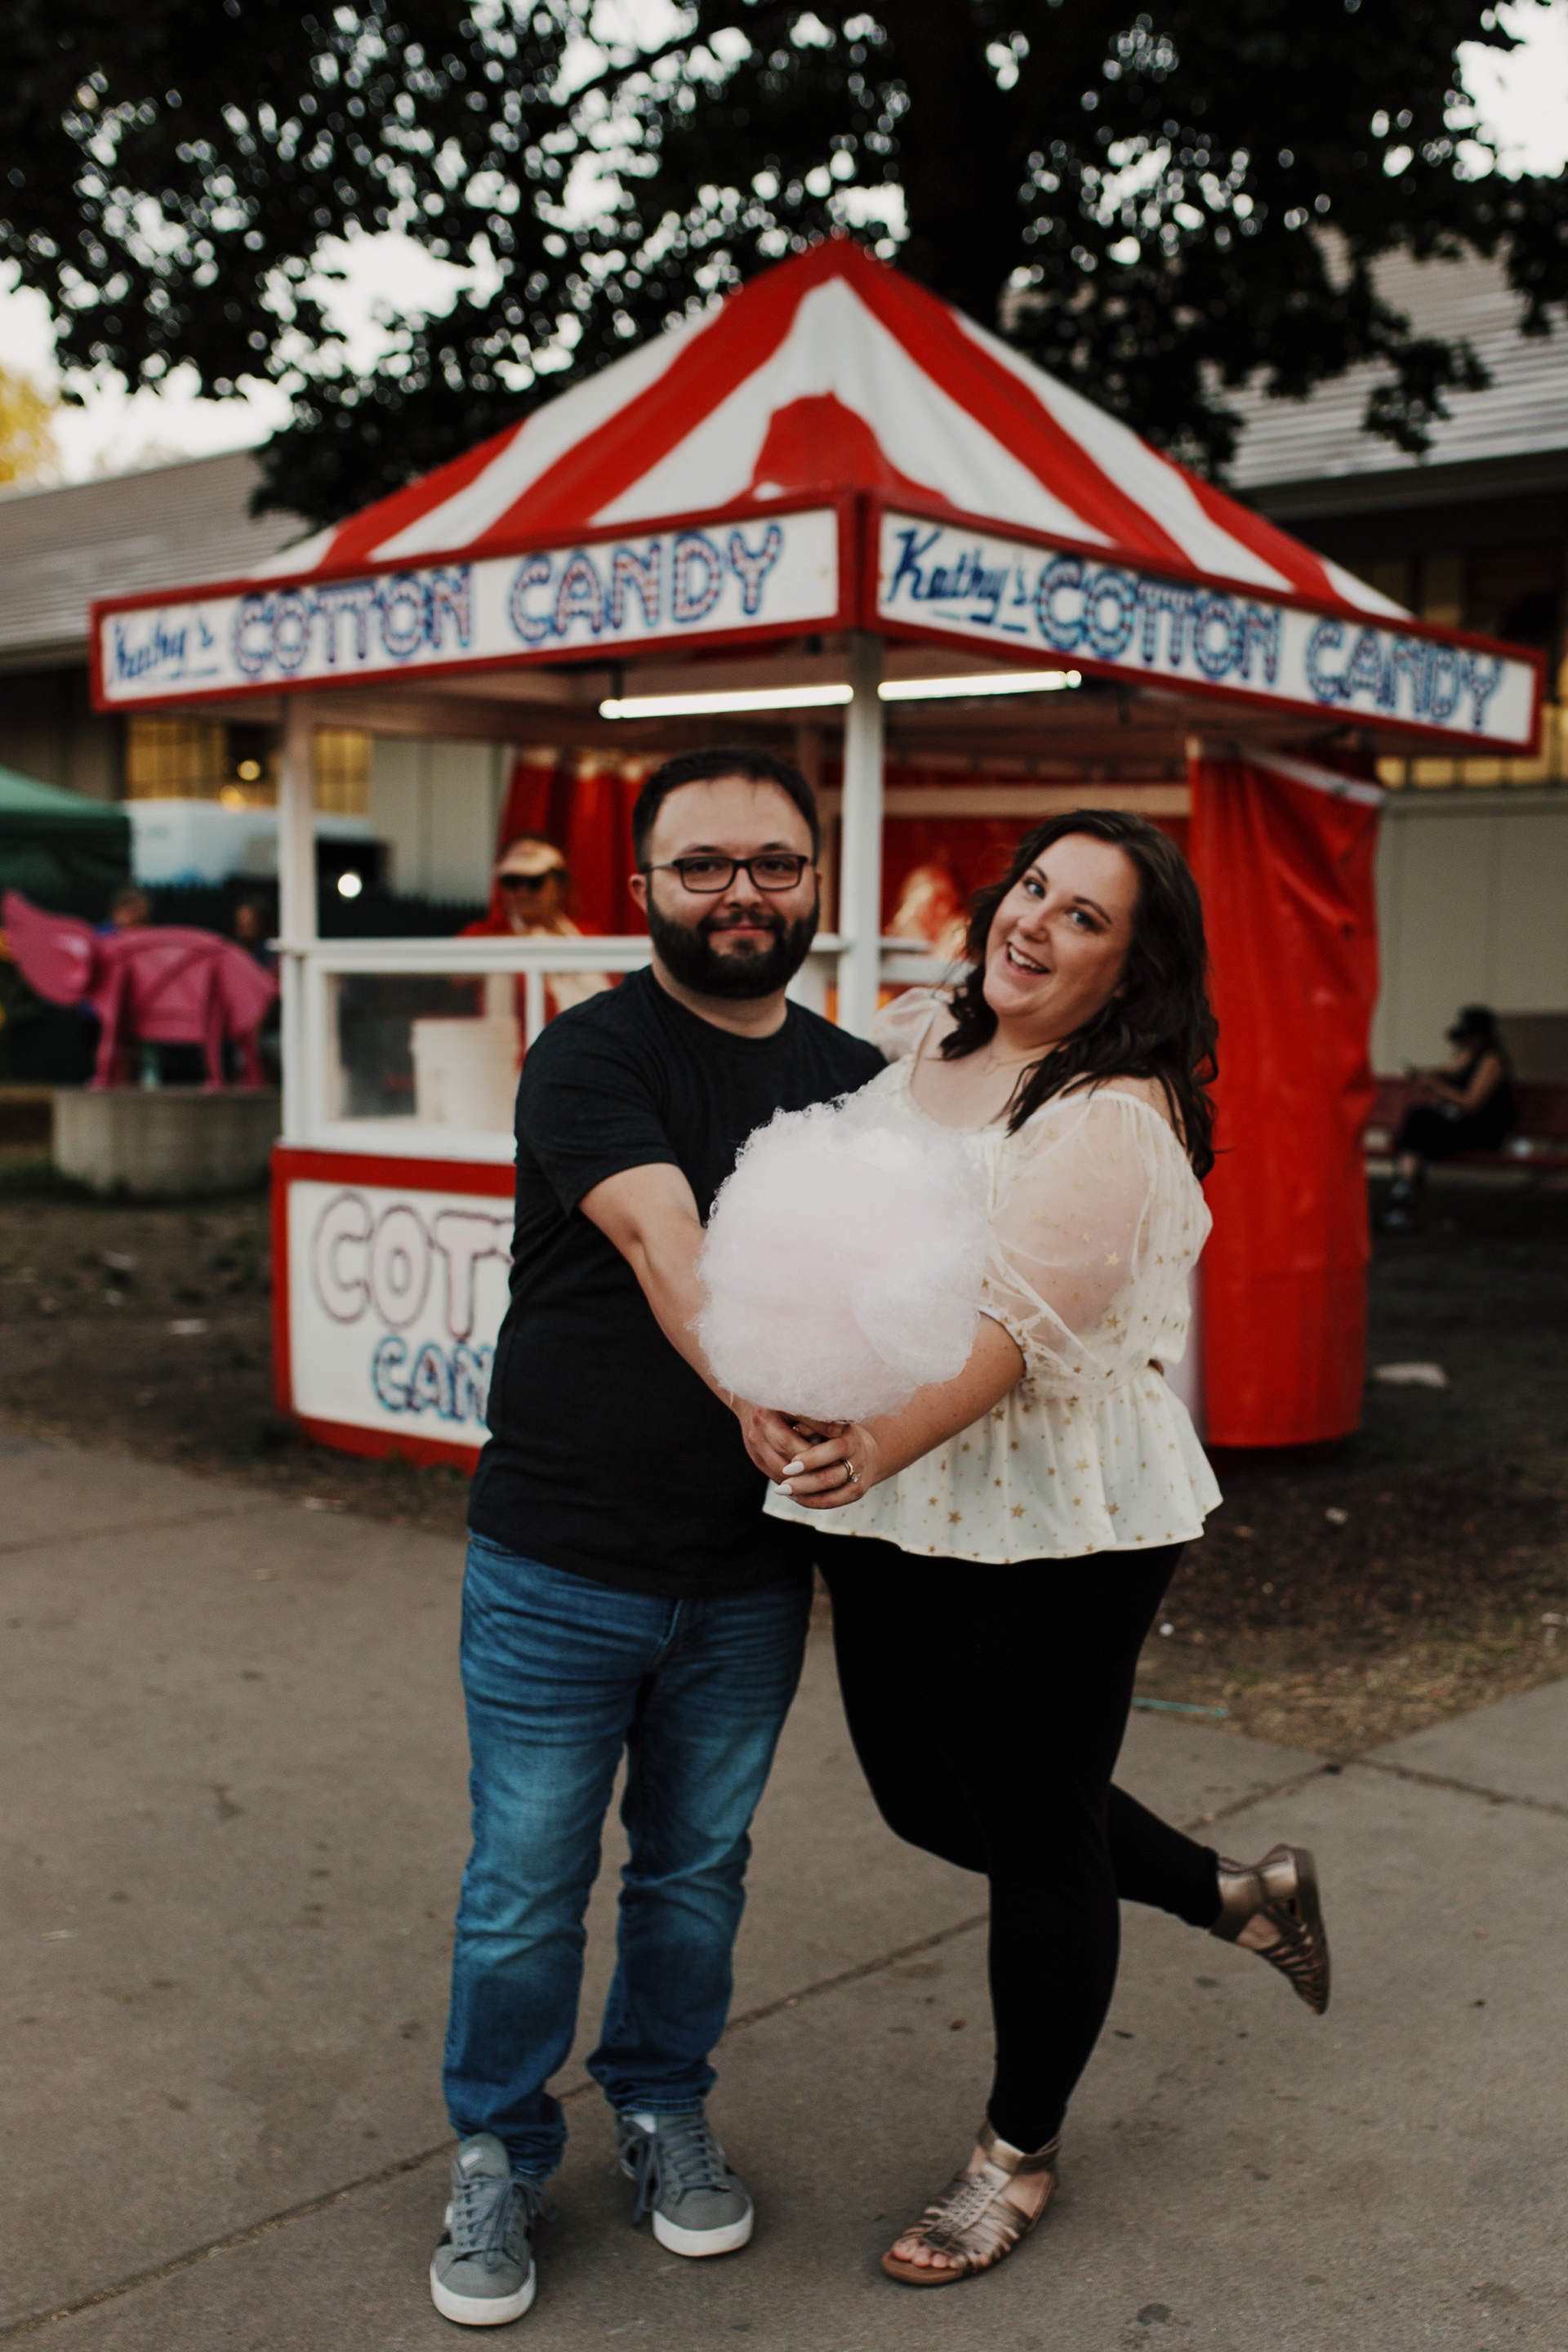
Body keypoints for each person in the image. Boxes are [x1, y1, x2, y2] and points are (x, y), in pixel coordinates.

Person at [746, 812, 1331, 2288]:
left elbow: (1013, 1329)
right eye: (1032, 889)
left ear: (1132, 970)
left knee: (1034, 1827)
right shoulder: (917, 1034)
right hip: (896, 1484)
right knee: (923, 1798)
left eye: (1084, 918)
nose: (1034, 922)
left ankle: (1016, 2154)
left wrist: (873, 1441)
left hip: (1054, 1506)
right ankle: (1236, 1895)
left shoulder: (1113, 1115)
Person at [430, 750, 882, 2326]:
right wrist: (758, 1395)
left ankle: (660, 2104)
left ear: (817, 880)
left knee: (695, 1874)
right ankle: (497, 2150)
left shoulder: (858, 1083)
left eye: (774, 863)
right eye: (703, 865)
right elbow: (664, 1236)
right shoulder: (591, 1051)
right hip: (558, 1562)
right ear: (643, 890)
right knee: (524, 1888)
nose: (741, 893)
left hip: (751, 1576)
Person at [1382, 1004, 1517, 1230]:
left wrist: (1435, 1088)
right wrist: (1424, 1074)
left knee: (1415, 1128)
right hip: (1459, 1126)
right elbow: (1449, 1070)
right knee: (1413, 1129)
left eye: (1469, 1036)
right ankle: (1406, 1189)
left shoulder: (1491, 1061)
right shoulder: (1469, 1056)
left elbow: (1471, 1103)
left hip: (1481, 1131)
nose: (1464, 1042)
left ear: (1481, 1036)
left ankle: (1405, 1192)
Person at [461, 833, 612, 1021]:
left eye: (534, 882)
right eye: (512, 882)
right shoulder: (487, 934)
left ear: (559, 887)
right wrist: (523, 940)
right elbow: (453, 973)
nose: (522, 891)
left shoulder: (587, 934)